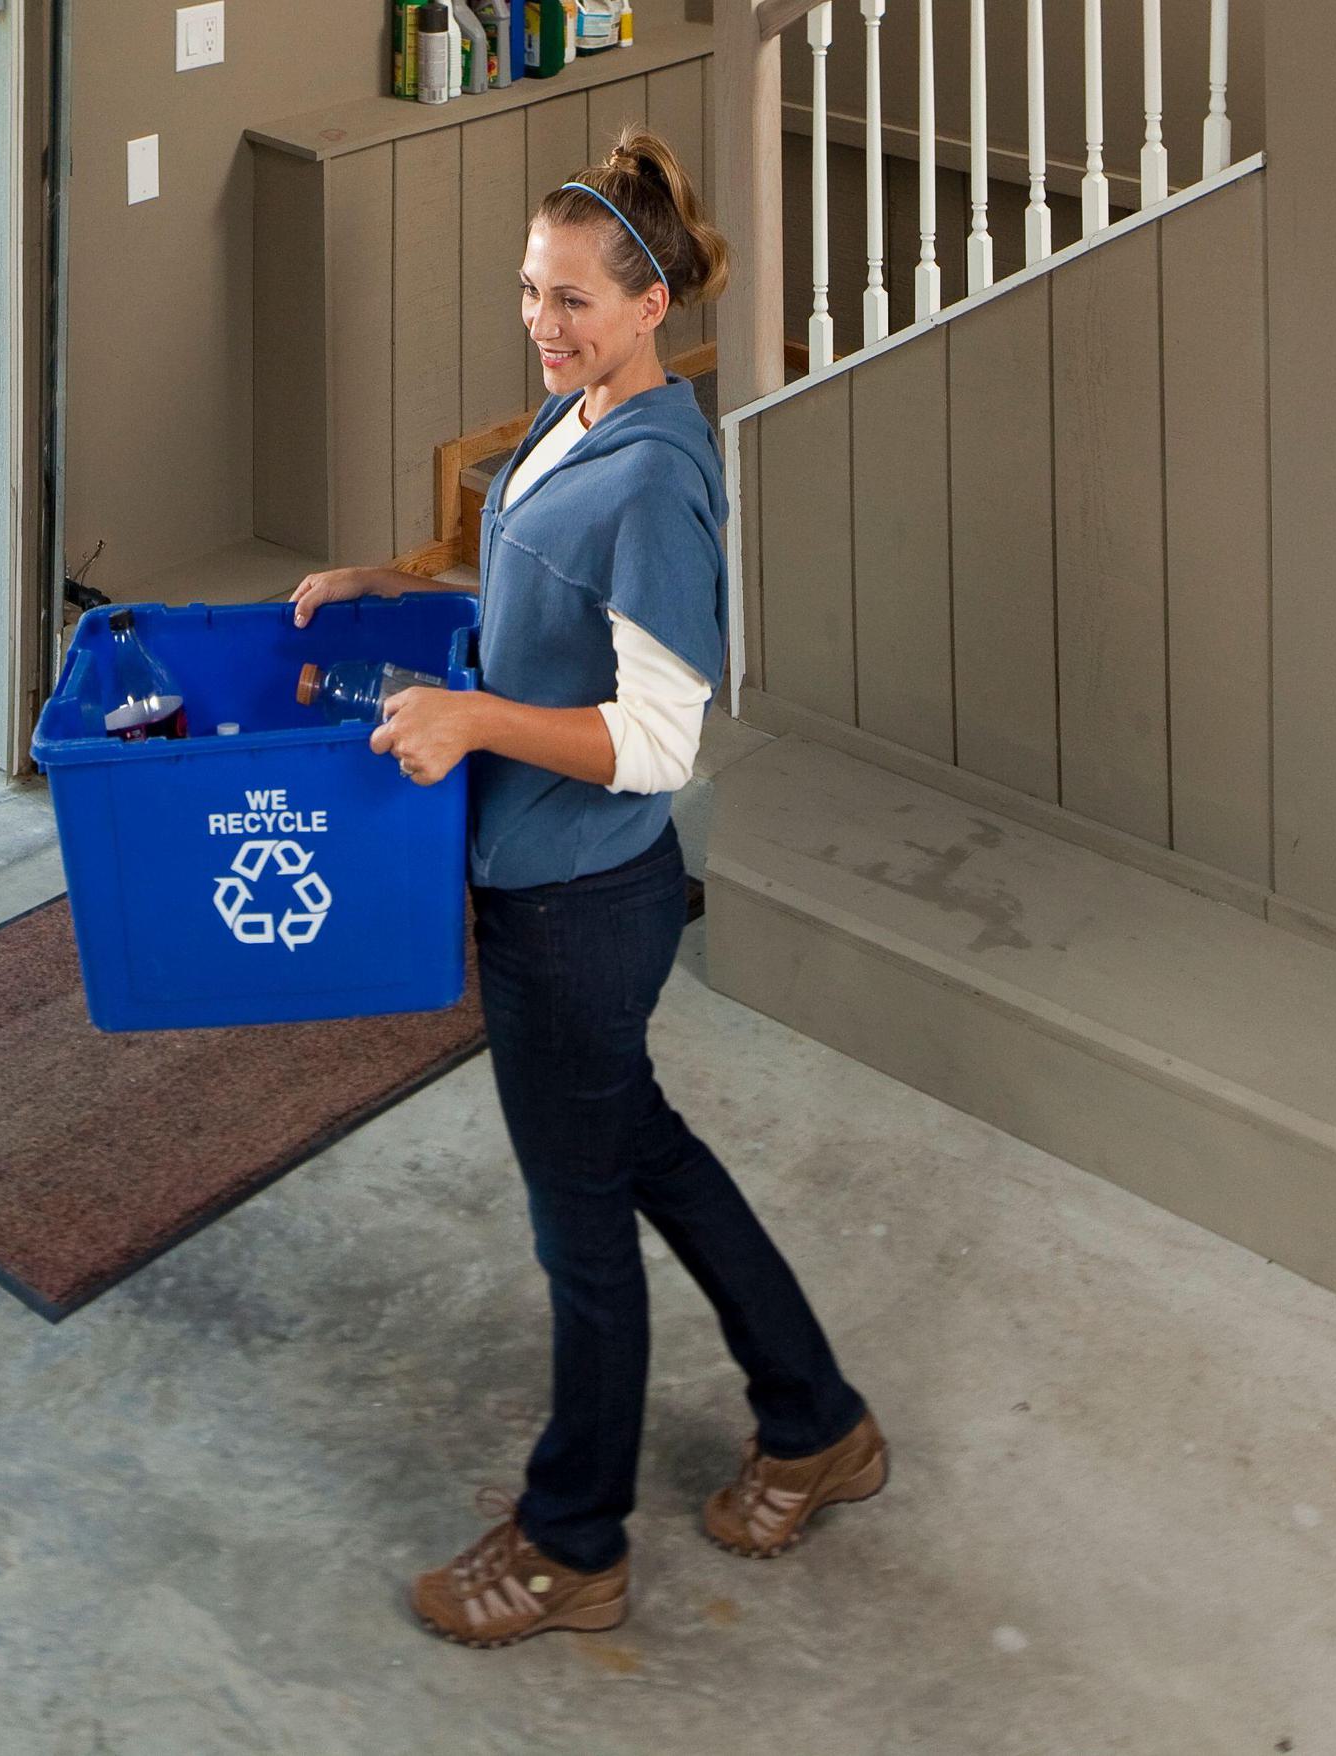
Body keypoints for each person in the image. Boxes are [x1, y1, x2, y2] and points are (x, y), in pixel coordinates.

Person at [288, 127, 883, 1649]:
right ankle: (816, 1423)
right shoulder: (574, 423)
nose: (541, 324)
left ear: (646, 308)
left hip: (582, 903)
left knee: (585, 1231)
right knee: (651, 1156)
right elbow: (530, 602)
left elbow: (661, 736)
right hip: (544, 885)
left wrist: (478, 719)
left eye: (570, 300)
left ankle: (572, 1547)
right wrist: (396, 585)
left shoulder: (660, 479)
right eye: (528, 292)